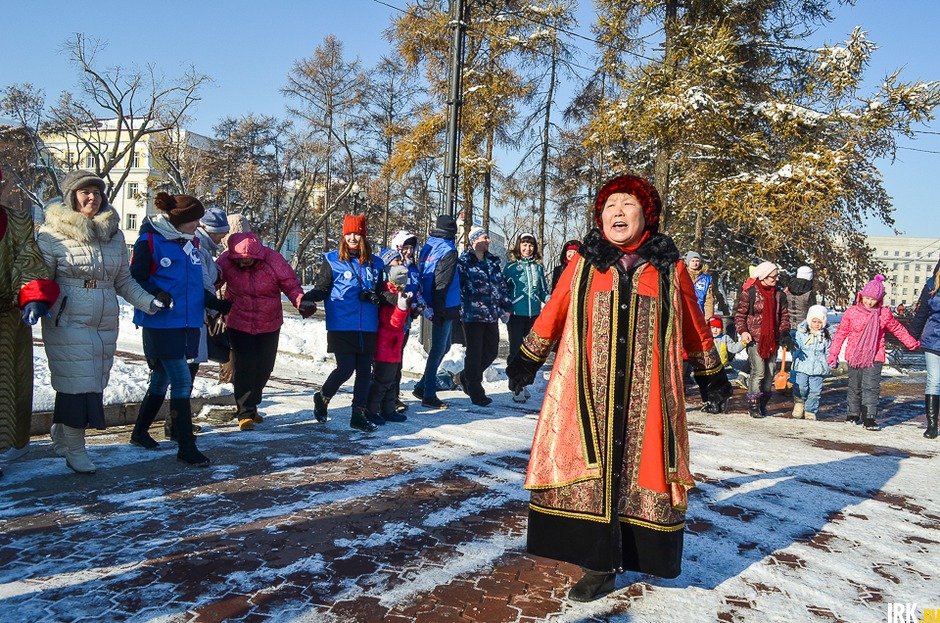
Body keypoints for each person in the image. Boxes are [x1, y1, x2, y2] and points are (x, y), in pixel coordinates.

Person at [506, 174, 731, 603]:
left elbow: (694, 325)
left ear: (647, 214)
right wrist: (526, 360)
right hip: (589, 393)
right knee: (592, 473)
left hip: (648, 400)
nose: (617, 213)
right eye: (610, 207)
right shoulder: (584, 264)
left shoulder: (670, 268)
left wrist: (711, 375)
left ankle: (632, 555)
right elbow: (553, 311)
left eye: (627, 205)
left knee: (640, 477)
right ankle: (598, 567)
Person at [36, 170, 159, 475]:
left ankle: (62, 433)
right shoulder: (51, 234)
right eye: (84, 192)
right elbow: (41, 277)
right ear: (71, 197)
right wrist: (37, 302)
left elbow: (123, 280)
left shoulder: (113, 234)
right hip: (67, 315)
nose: (92, 198)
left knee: (92, 382)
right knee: (76, 381)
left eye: (97, 192)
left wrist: (148, 302)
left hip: (104, 316)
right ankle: (76, 450)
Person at [130, 192, 226, 466]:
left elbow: (195, 283)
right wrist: (157, 292)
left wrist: (214, 303)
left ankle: (139, 432)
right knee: (182, 379)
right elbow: (134, 279)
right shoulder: (150, 241)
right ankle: (186, 445)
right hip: (160, 323)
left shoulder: (192, 243)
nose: (198, 224)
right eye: (194, 220)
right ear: (179, 220)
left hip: (188, 322)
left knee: (162, 379)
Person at [216, 232, 313, 431]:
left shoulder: (273, 260)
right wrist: (209, 301)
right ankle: (244, 412)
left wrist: (301, 302)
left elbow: (290, 284)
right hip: (238, 320)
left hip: (269, 322)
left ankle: (252, 405)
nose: (243, 264)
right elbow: (212, 280)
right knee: (245, 365)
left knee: (264, 366)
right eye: (239, 261)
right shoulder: (227, 259)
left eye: (247, 260)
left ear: (257, 255)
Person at [0, 167, 60, 479]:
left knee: (7, 384)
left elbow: (28, 260)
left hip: (7, 322)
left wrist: (33, 294)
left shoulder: (16, 222)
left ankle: (8, 444)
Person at [307, 214, 385, 432]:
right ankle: (322, 398)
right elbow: (322, 288)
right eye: (349, 233)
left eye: (357, 234)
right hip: (341, 323)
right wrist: (303, 297)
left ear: (363, 237)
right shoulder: (332, 260)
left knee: (364, 372)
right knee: (346, 368)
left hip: (368, 325)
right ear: (343, 236)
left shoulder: (376, 264)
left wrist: (381, 297)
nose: (353, 238)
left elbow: (381, 292)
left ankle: (358, 415)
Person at [828, 275, 919, 431]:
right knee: (854, 386)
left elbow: (897, 329)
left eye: (873, 300)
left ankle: (869, 418)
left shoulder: (883, 314)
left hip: (875, 355)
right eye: (867, 298)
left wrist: (910, 342)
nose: (869, 302)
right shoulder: (851, 312)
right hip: (854, 355)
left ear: (879, 300)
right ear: (861, 296)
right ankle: (852, 414)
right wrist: (833, 354)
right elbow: (840, 333)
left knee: (871, 387)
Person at [456, 226, 512, 408]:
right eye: (484, 238)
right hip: (472, 316)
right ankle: (475, 391)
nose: (488, 241)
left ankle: (466, 376)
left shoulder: (493, 262)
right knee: (474, 354)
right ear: (474, 241)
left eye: (488, 238)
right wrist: (463, 307)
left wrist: (506, 306)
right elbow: (458, 288)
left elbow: (501, 286)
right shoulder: (464, 262)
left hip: (491, 315)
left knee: (491, 352)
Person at [413, 215, 461, 409]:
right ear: (452, 233)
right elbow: (443, 282)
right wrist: (439, 311)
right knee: (438, 349)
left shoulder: (428, 247)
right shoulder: (449, 250)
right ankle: (429, 394)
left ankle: (422, 385)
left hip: (431, 302)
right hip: (444, 305)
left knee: (445, 346)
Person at [735, 261, 791, 418]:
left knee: (769, 373)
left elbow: (784, 316)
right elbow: (740, 315)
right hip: (754, 338)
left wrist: (785, 332)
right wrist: (743, 331)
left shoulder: (779, 295)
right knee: (758, 372)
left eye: (777, 276)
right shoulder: (750, 293)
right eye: (773, 276)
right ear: (764, 277)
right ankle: (753, 405)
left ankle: (763, 403)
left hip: (772, 339)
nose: (776, 279)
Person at [502, 232, 550, 402]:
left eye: (530, 245)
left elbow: (543, 291)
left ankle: (522, 382)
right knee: (515, 351)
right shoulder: (511, 267)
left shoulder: (538, 267)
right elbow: (503, 289)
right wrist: (505, 307)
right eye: (524, 245)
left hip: (534, 315)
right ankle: (516, 385)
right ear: (518, 246)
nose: (527, 248)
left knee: (530, 352)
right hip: (516, 315)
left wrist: (551, 302)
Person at [385, 229, 426, 413]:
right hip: (388, 319)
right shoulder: (387, 264)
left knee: (397, 359)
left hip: (405, 320)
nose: (408, 252)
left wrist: (419, 306)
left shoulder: (413, 269)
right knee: (385, 360)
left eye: (411, 248)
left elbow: (417, 291)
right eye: (405, 247)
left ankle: (393, 396)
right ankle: (383, 397)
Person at [365, 265, 411, 424]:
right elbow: (393, 322)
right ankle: (370, 410)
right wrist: (402, 308)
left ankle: (388, 410)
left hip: (394, 346)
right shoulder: (388, 297)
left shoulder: (397, 294)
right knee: (381, 382)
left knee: (391, 382)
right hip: (386, 346)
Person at [910, 259, 940, 438]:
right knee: (934, 381)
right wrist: (911, 337)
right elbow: (921, 314)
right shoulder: (931, 286)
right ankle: (932, 425)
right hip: (934, 339)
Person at [789, 305, 832, 420]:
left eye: (820, 322)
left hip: (818, 368)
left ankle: (810, 410)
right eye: (814, 321)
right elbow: (796, 346)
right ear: (809, 321)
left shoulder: (826, 336)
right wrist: (793, 347)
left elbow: (829, 351)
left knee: (815, 391)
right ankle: (799, 402)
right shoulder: (801, 334)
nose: (817, 324)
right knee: (801, 387)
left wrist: (831, 360)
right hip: (802, 366)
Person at [702, 316, 745, 413]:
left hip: (721, 367)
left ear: (722, 328)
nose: (715, 330)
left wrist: (743, 343)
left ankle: (720, 402)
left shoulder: (725, 339)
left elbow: (734, 348)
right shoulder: (706, 340)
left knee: (722, 386)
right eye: (712, 328)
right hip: (710, 368)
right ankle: (713, 403)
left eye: (718, 328)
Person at [684, 251, 715, 319]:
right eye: (692, 261)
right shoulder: (682, 276)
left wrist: (708, 318)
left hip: (699, 314)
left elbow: (709, 300)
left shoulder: (706, 279)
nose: (695, 263)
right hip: (684, 312)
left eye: (697, 261)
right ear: (688, 262)